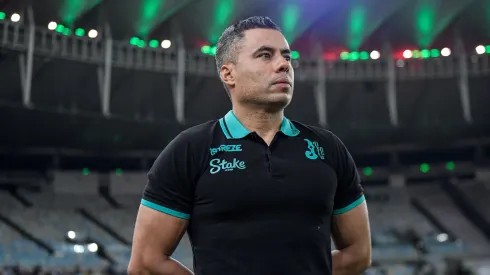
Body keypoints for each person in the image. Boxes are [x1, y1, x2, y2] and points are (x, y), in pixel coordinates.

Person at [128, 16, 371, 275]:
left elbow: (359, 252)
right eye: (265, 55)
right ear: (228, 73)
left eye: (287, 57)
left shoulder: (328, 149)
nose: (283, 65)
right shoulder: (189, 150)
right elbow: (145, 262)